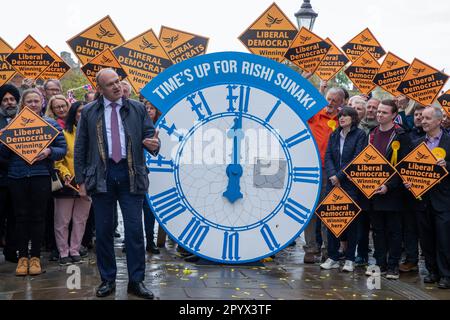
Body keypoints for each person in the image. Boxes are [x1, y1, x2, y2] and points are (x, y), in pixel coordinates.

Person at [74, 68, 159, 299]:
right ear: (100, 89)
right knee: (102, 231)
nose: (117, 86)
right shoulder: (90, 111)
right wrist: (80, 181)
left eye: (118, 81)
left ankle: (136, 281)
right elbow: (80, 147)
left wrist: (154, 144)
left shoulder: (138, 108)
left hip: (131, 174)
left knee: (134, 231)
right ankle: (108, 279)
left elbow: (151, 136)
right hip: (102, 176)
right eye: (110, 84)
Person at [0, 88, 66, 276]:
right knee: (20, 218)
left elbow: (62, 149)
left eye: (37, 101)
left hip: (41, 176)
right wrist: (3, 139)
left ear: (42, 103)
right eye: (29, 101)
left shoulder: (51, 124)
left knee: (38, 217)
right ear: (24, 104)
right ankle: (22, 258)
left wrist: (48, 152)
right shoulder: (12, 124)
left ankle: (35, 257)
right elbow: (3, 155)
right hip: (16, 177)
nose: (33, 104)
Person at [405, 105, 450, 289]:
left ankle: (446, 275)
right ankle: (432, 272)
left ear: (439, 121)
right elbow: (408, 169)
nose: (423, 121)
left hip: (444, 200)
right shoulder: (417, 143)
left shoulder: (449, 140)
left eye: (427, 118)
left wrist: (447, 164)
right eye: (422, 118)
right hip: (422, 199)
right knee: (426, 238)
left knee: (444, 238)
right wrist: (408, 181)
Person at [365, 99, 410, 280]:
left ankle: (392, 266)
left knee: (394, 231)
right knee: (377, 231)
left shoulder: (401, 135)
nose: (379, 115)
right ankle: (380, 264)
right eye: (379, 112)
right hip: (373, 192)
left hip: (393, 193)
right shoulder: (372, 133)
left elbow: (403, 167)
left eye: (384, 112)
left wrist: (388, 186)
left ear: (394, 115)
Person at [320, 107, 366, 272]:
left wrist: (340, 176)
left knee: (351, 222)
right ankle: (332, 256)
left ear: (353, 118)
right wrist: (333, 175)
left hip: (350, 184)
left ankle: (349, 259)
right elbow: (329, 156)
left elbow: (357, 158)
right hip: (333, 183)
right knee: (332, 219)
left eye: (345, 115)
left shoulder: (360, 135)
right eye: (340, 116)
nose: (341, 118)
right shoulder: (333, 134)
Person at [303, 87, 344, 263]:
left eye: (335, 100)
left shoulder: (343, 120)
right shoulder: (314, 115)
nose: (330, 103)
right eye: (328, 98)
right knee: (309, 210)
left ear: (341, 103)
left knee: (328, 210)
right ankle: (310, 249)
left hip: (332, 171)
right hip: (310, 168)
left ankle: (329, 249)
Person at [53, 101, 92, 265]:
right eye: (79, 112)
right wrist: (66, 174)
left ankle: (75, 250)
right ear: (73, 114)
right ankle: (63, 252)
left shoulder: (95, 134)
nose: (82, 115)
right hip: (68, 182)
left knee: (80, 219)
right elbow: (58, 160)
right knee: (62, 220)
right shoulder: (63, 133)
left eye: (85, 112)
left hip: (88, 182)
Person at [399, 103, 426, 273]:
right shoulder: (406, 136)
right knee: (409, 227)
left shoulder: (441, 137)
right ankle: (411, 259)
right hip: (408, 191)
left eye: (423, 115)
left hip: (432, 193)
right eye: (416, 115)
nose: (419, 118)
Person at [0, 84, 20, 263]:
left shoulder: (24, 119)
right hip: (1, 177)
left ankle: (12, 251)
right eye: (5, 100)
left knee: (15, 216)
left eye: (12, 99)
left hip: (17, 178)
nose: (9, 103)